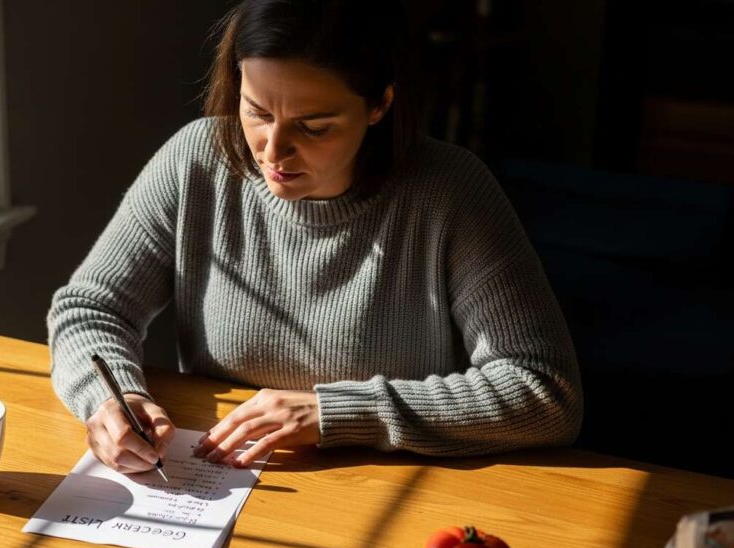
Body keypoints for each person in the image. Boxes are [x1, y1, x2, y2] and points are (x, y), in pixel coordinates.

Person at [47, 0, 582, 475]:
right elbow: (90, 308)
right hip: (220, 481)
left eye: (315, 126)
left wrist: (337, 413)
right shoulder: (196, 161)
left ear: (379, 105)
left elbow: (543, 390)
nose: (272, 151)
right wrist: (110, 399)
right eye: (256, 111)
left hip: (395, 486)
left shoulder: (450, 193)